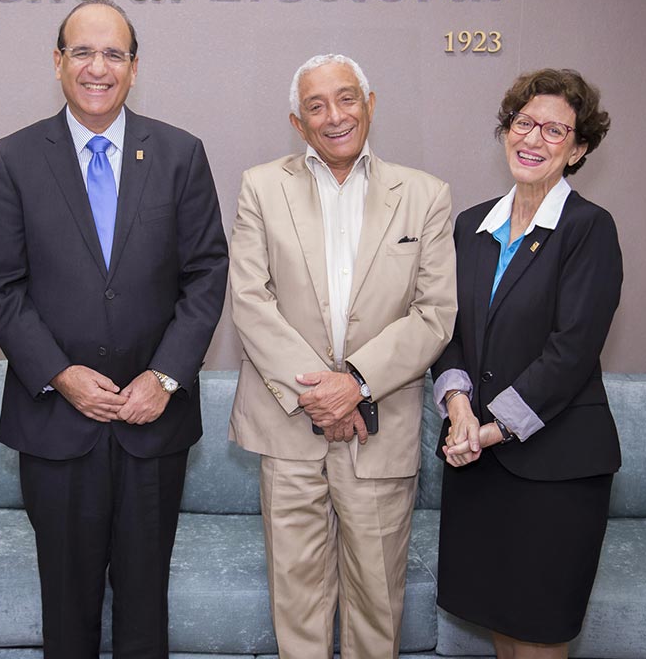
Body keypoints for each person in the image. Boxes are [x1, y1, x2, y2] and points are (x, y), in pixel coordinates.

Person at [0, 0, 229, 658]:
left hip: (154, 425)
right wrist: (61, 376)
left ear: (134, 67)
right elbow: (2, 287)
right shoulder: (12, 159)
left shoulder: (179, 154)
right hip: (57, 426)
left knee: (145, 613)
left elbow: (206, 276)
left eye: (113, 54)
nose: (98, 67)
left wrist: (165, 375)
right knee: (67, 612)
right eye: (83, 52)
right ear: (58, 62)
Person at [228, 53, 456, 658]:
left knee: (377, 605)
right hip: (289, 425)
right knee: (296, 602)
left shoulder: (426, 195)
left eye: (347, 98)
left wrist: (354, 383)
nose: (335, 116)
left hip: (380, 429)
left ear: (371, 103)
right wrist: (320, 396)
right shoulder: (260, 185)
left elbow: (435, 313)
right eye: (316, 106)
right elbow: (251, 301)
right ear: (298, 123)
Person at [433, 68, 622, 659]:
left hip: (556, 469)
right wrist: (459, 409)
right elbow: (447, 329)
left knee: (539, 635)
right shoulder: (471, 226)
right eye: (524, 123)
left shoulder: (589, 229)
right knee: (500, 627)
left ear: (579, 148)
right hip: (480, 464)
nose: (533, 139)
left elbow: (570, 353)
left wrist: (487, 431)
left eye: (555, 131)